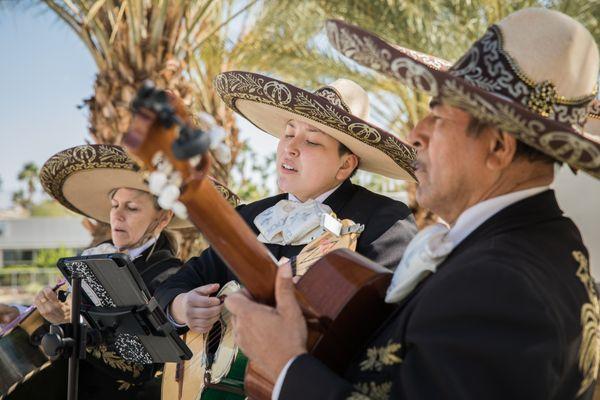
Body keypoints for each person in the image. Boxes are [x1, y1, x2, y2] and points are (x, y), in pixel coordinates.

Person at [225, 8, 600, 400]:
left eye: (438, 117)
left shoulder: (504, 282)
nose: (415, 134)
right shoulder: (534, 247)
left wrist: (286, 364)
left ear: (498, 147)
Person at [155, 75, 418, 334]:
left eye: (312, 141)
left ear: (345, 165)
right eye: (289, 133)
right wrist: (182, 307)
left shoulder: (385, 221)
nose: (289, 148)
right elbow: (181, 282)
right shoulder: (248, 216)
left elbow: (383, 316)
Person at [1, 144, 238, 400]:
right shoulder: (95, 257)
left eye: (132, 208)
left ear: (164, 218)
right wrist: (23, 317)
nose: (117, 216)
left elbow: (138, 367)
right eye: (114, 206)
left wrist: (67, 325)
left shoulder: (170, 277)